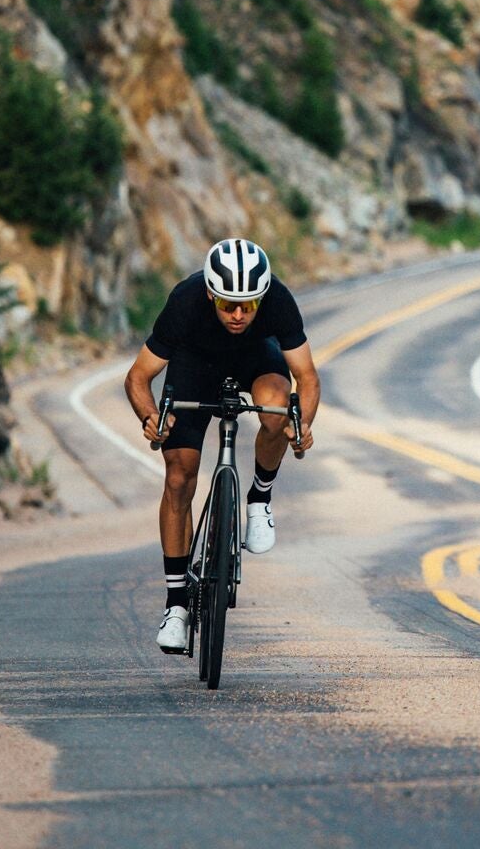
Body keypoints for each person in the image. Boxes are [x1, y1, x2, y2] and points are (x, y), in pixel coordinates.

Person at [124, 237, 320, 655]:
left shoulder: (279, 300)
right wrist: (150, 417)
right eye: (228, 304)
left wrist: (301, 426)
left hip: (256, 359)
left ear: (261, 297)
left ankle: (259, 499)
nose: (237, 314)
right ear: (211, 293)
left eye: (248, 306)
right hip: (194, 365)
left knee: (276, 408)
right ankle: (176, 606)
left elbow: (307, 377)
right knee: (179, 477)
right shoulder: (186, 301)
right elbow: (138, 377)